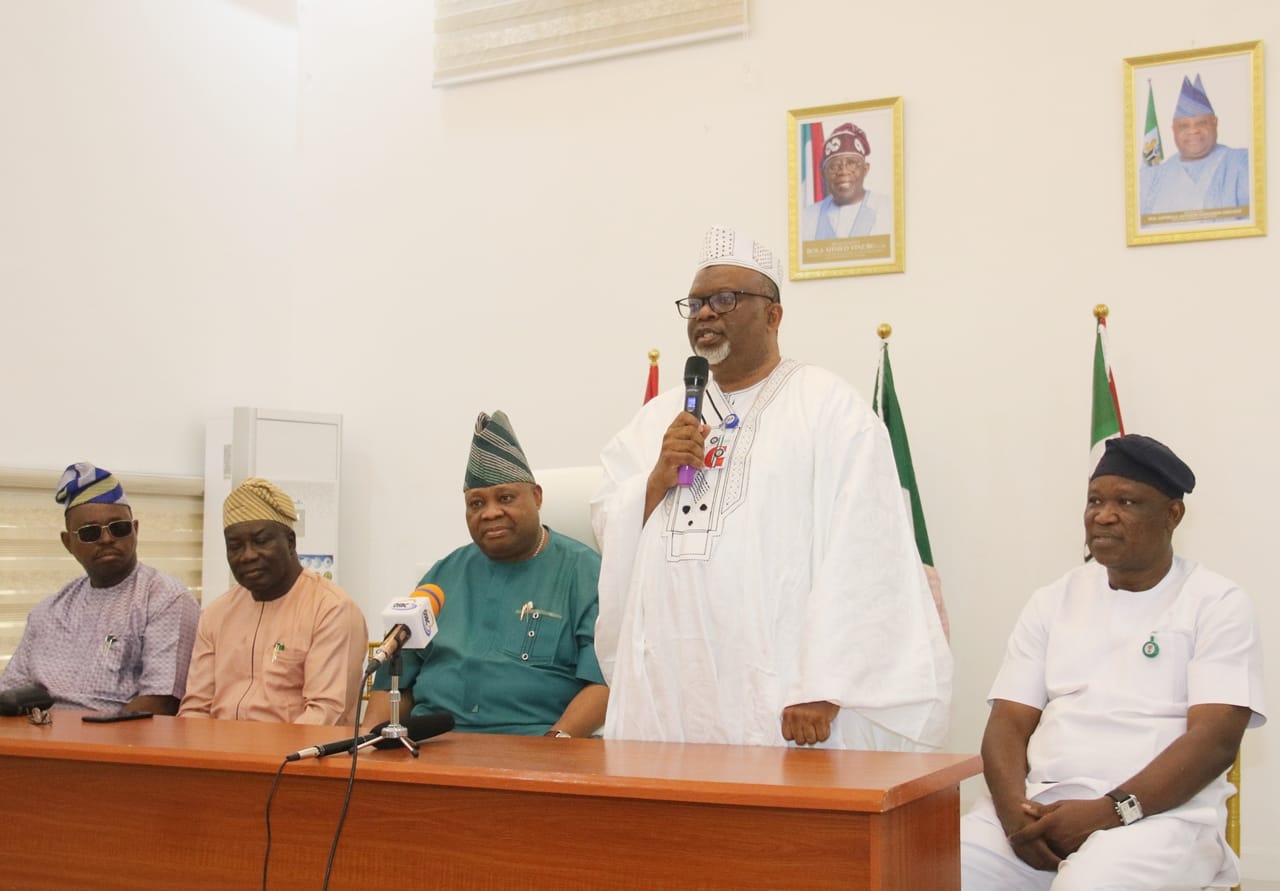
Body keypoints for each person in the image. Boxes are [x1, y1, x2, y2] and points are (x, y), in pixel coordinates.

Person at [592, 224, 951, 750]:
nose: (706, 314)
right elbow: (609, 521)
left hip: (783, 691)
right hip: (668, 687)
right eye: (695, 304)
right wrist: (656, 479)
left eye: (724, 299)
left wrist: (826, 685)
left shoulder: (828, 407)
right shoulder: (656, 421)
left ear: (774, 314)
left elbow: (867, 548)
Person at [960, 434, 1266, 891]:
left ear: (1172, 514)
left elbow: (1215, 741)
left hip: (1158, 821)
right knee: (928, 865)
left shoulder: (1216, 603)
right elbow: (1006, 724)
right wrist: (1013, 820)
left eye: (1126, 501)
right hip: (1041, 812)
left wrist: (1109, 813)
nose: (1103, 515)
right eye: (1094, 500)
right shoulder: (1053, 600)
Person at [366, 411, 608, 737]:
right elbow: (393, 680)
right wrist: (371, 740)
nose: (490, 512)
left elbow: (605, 681)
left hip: (536, 751)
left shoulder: (585, 572)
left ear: (537, 497)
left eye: (505, 498)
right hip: (434, 749)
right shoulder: (441, 577)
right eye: (476, 503)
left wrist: (555, 748)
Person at [0, 462, 199, 714]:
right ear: (68, 542)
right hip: (40, 738)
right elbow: (9, 693)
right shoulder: (49, 610)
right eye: (89, 532)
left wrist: (87, 738)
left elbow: (160, 702)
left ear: (135, 530)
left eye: (119, 528)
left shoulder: (165, 599)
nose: (107, 539)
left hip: (117, 744)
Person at [178, 477, 368, 725]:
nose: (247, 556)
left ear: (290, 542)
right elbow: (195, 708)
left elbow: (325, 715)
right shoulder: (216, 614)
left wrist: (267, 760)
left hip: (295, 759)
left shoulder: (331, 610)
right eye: (235, 546)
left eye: (260, 541)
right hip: (220, 755)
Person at [1140, 74, 1250, 217]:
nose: (1193, 131)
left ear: (1214, 122)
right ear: (1173, 129)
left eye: (1201, 123)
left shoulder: (1243, 162)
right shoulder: (1155, 175)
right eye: (1184, 126)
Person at [800, 123, 893, 240]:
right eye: (834, 166)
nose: (843, 171)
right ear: (823, 174)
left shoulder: (890, 209)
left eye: (851, 163)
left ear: (865, 169)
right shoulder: (806, 217)